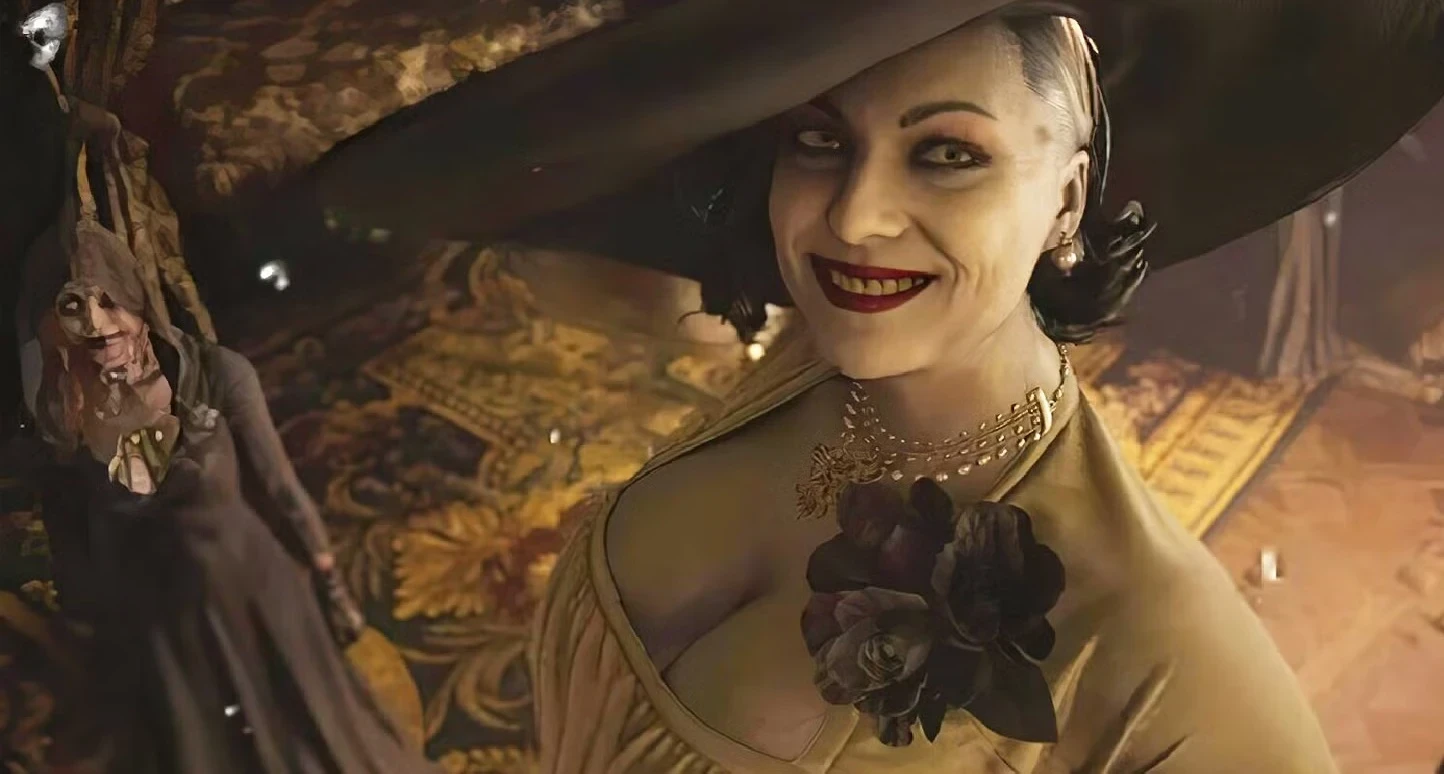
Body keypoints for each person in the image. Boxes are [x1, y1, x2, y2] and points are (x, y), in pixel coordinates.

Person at [309, 1, 1444, 771]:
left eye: (947, 154)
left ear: (1066, 201)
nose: (854, 217)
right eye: (819, 142)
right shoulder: (827, 370)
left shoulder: (1153, 637)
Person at [24, 214, 438, 772]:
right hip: (164, 635)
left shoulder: (217, 375)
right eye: (74, 307)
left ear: (135, 297)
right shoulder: (64, 418)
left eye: (108, 300)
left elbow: (280, 486)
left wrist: (331, 586)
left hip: (253, 598)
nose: (97, 324)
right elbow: (73, 556)